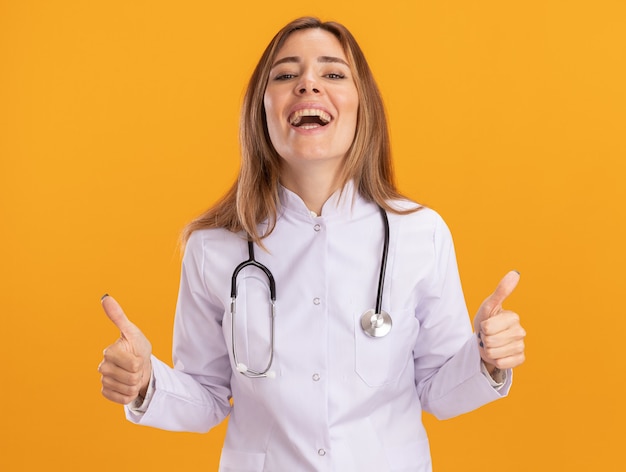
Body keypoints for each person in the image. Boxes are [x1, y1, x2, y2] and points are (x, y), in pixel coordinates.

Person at [98, 17, 526, 472]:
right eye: (285, 75)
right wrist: (146, 382)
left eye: (333, 73)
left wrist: (486, 358)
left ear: (364, 105)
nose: (307, 85)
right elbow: (205, 395)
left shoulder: (421, 233)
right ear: (260, 108)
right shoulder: (213, 247)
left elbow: (439, 390)